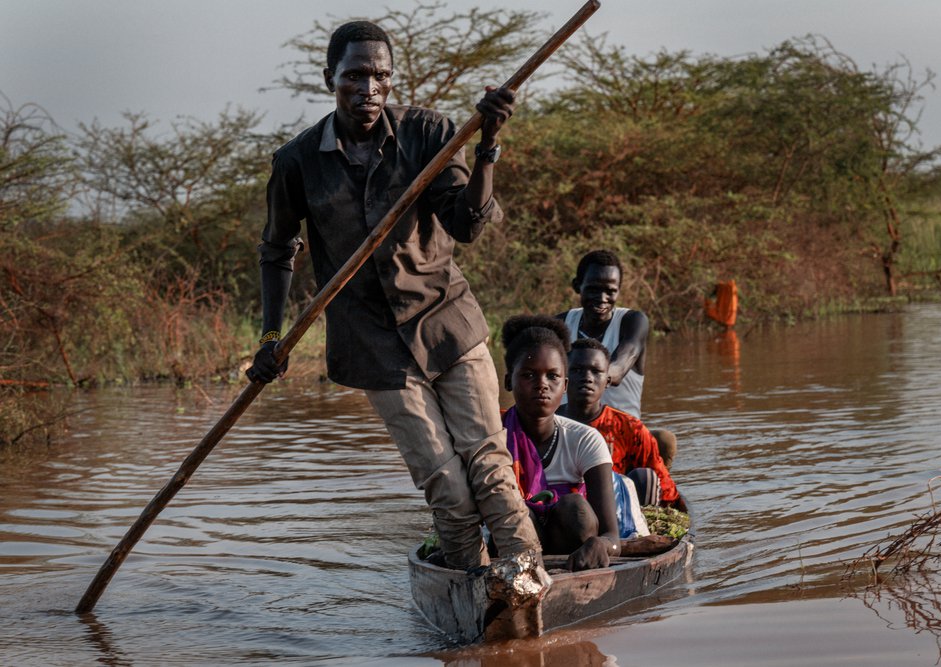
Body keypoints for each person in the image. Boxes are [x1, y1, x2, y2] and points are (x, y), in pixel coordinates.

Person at [246, 20, 542, 581]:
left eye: (380, 76)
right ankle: (472, 592)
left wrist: (487, 148)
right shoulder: (297, 162)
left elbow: (467, 223)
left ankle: (526, 584)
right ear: (328, 78)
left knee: (491, 470)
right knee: (447, 489)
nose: (369, 88)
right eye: (354, 75)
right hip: (374, 346)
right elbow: (277, 250)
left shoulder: (431, 134)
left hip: (447, 324)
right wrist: (269, 338)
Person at [500, 315, 621, 571]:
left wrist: (601, 545)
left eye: (552, 376)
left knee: (575, 507)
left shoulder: (584, 439)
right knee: (515, 511)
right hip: (510, 549)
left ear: (564, 385)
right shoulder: (492, 438)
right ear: (508, 381)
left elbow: (612, 536)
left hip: (570, 550)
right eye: (529, 375)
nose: (542, 385)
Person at [556, 249, 678, 470]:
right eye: (593, 289)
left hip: (621, 436)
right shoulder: (561, 324)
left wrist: (586, 377)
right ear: (577, 286)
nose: (602, 298)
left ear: (618, 291)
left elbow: (619, 368)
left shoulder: (632, 322)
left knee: (664, 441)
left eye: (610, 291)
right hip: (570, 434)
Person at [559, 338, 684, 511]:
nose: (587, 378)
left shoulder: (629, 428)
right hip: (563, 509)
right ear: (563, 378)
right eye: (577, 370)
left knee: (646, 477)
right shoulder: (546, 424)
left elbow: (666, 490)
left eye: (596, 371)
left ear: (608, 381)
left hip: (619, 510)